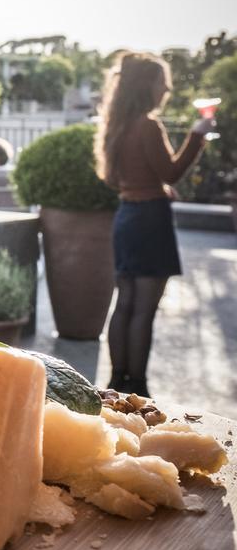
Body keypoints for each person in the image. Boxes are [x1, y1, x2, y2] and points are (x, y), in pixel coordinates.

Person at [96, 51, 213, 396]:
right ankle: (139, 387)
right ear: (147, 85)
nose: (168, 89)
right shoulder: (148, 124)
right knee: (144, 310)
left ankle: (117, 381)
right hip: (150, 220)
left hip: (127, 217)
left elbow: (119, 178)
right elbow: (171, 171)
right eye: (163, 82)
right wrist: (198, 135)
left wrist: (155, 187)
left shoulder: (116, 126)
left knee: (125, 303)